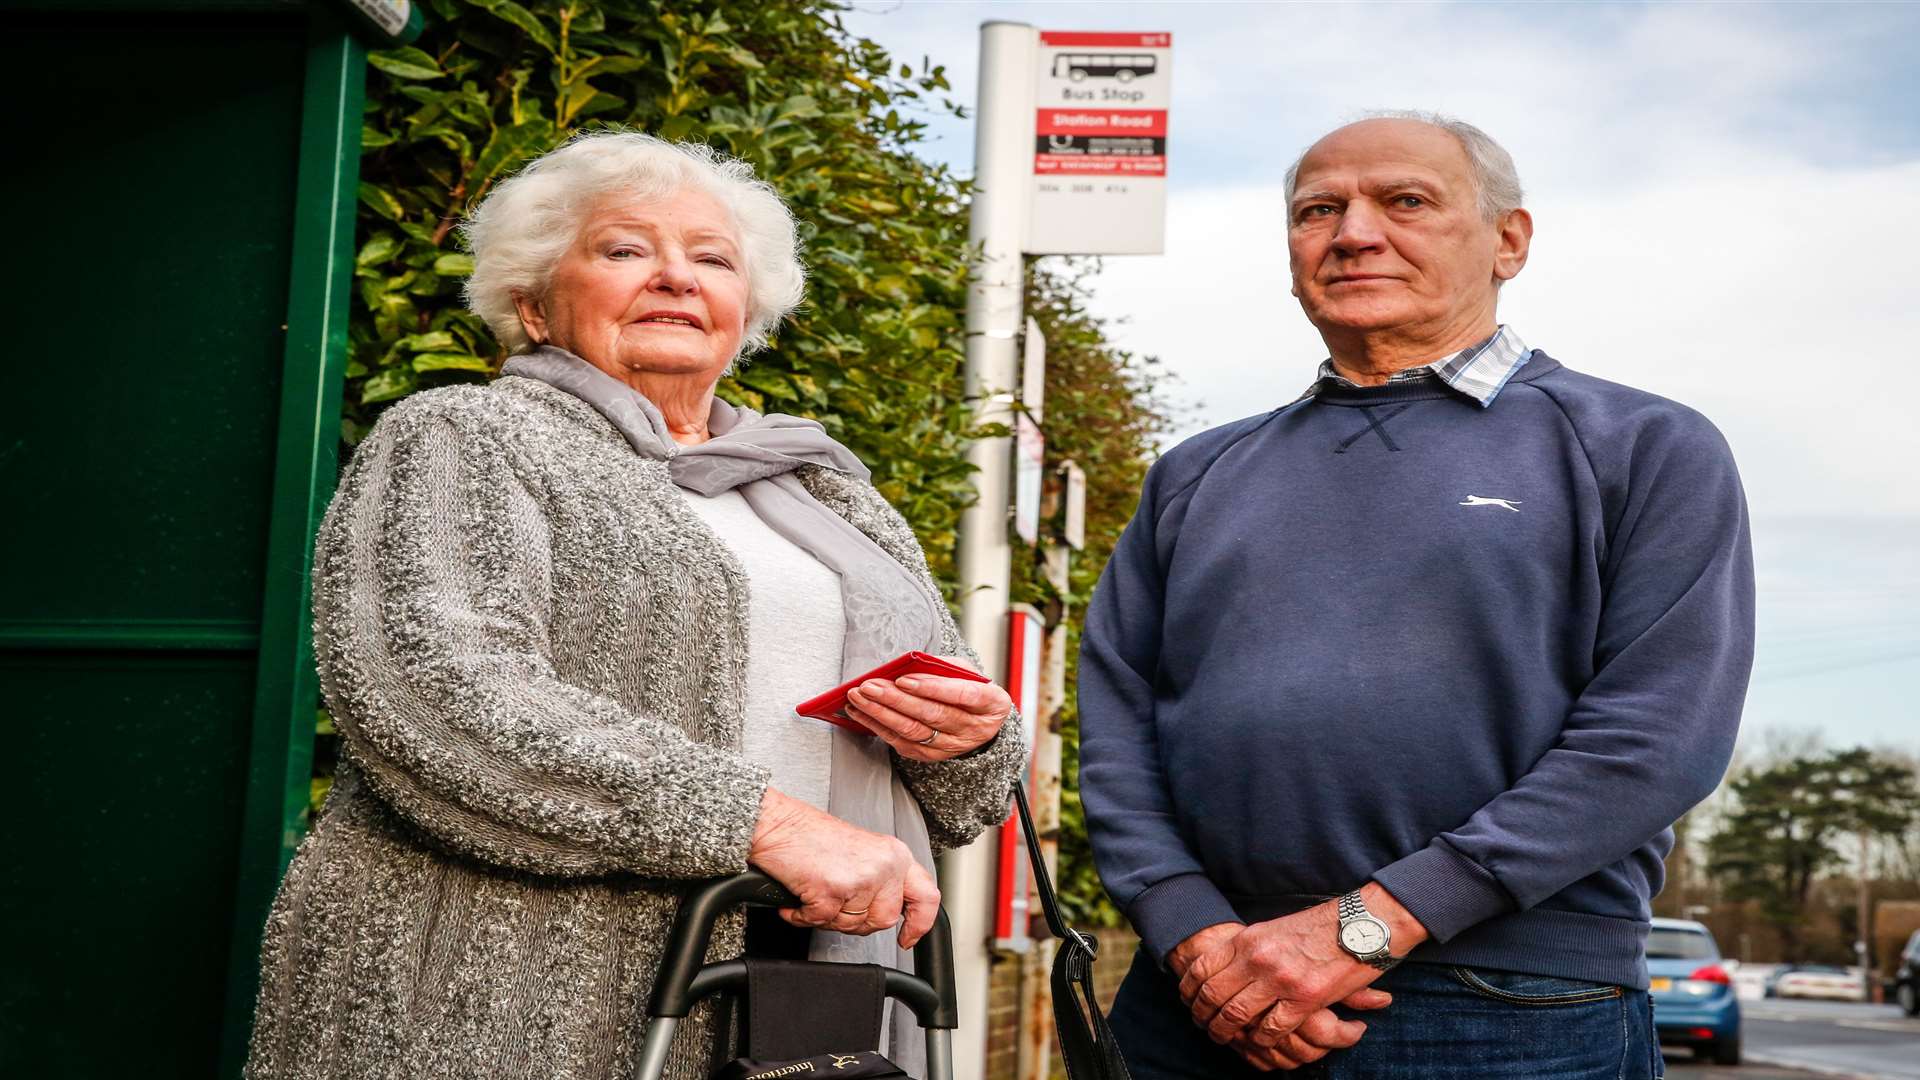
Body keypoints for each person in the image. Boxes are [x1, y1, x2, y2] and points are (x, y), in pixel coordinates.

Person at [244, 132, 1028, 1080]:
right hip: (509, 986)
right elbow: (433, 691)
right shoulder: (465, 436)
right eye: (624, 251)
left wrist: (971, 738)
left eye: (712, 259)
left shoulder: (828, 493)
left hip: (804, 992)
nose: (676, 278)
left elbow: (967, 795)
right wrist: (768, 824)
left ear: (749, 310)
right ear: (532, 305)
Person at [1077, 111, 1754, 1079]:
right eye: (1319, 210)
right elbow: (1115, 724)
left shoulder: (1642, 449)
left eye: (1404, 201)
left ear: (1508, 241)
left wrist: (1361, 928)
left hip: (1506, 1003)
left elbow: (1656, 743)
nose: (1353, 233)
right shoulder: (1195, 473)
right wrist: (1192, 935)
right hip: (1199, 997)